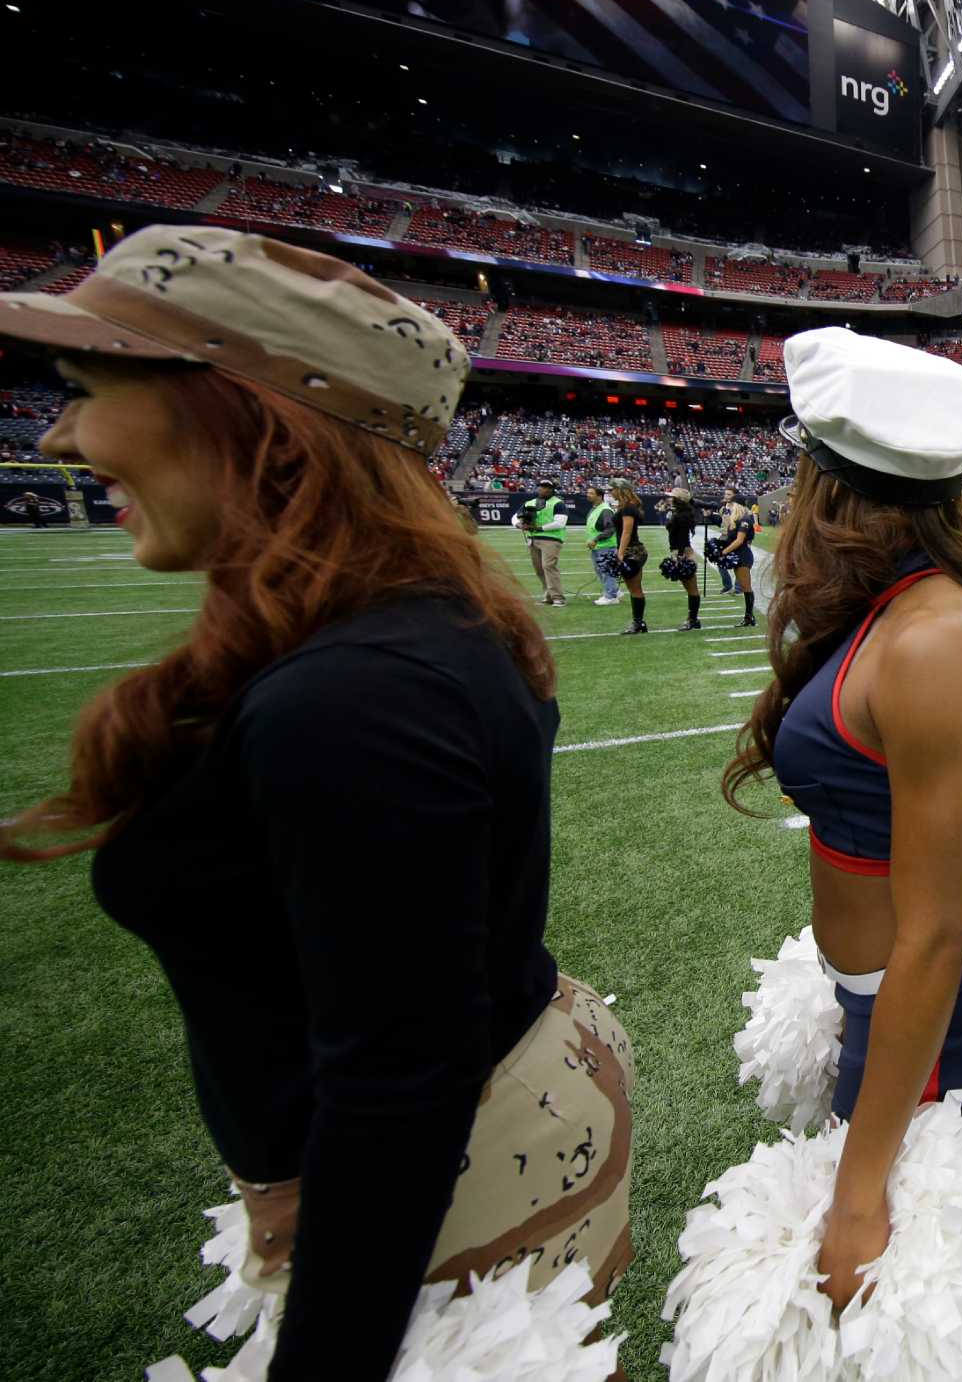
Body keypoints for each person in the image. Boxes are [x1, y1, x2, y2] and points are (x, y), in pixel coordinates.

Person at [0, 226, 633, 1378]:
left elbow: (397, 1077)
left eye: (89, 389)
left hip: (448, 1177)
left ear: (246, 413)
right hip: (494, 1112)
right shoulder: (403, 631)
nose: (59, 436)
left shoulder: (359, 689)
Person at [723, 326, 962, 1314]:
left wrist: (860, 1192)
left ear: (825, 484)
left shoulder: (937, 636)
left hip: (941, 1015)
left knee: (912, 1307)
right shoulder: (893, 603)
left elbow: (937, 929)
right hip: (893, 997)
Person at [610, 477, 651, 635]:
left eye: (612, 489)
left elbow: (627, 532)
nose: (610, 492)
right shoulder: (629, 506)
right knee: (635, 588)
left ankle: (638, 623)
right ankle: (639, 622)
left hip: (632, 551)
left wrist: (620, 553)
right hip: (634, 550)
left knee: (634, 589)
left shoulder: (628, 508)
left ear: (620, 490)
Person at [714, 485, 759, 627]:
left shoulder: (745, 519)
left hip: (743, 555)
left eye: (732, 503)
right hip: (737, 554)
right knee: (745, 587)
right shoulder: (736, 519)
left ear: (737, 505)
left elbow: (740, 540)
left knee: (746, 587)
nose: (730, 505)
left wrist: (723, 552)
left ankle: (749, 617)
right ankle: (748, 617)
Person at [521, 476, 568, 606]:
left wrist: (539, 528)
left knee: (548, 566)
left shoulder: (558, 503)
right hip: (533, 539)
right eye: (542, 486)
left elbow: (560, 523)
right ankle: (548, 596)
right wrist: (519, 524)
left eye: (547, 487)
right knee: (539, 569)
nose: (544, 489)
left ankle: (558, 597)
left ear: (553, 489)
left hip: (551, 539)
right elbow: (515, 516)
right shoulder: (530, 502)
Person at [664, 482, 704, 631]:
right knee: (690, 589)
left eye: (672, 497)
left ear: (678, 500)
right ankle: (692, 619)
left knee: (692, 589)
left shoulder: (682, 516)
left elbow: (680, 538)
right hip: (679, 552)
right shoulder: (679, 514)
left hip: (683, 553)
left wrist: (679, 556)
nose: (669, 499)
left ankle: (693, 620)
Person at [584, 481, 621, 606]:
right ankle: (614, 591)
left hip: (605, 547)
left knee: (606, 571)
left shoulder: (605, 510)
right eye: (587, 493)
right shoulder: (596, 509)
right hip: (597, 547)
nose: (587, 495)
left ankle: (611, 596)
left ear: (599, 496)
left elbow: (610, 529)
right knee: (601, 571)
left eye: (591, 493)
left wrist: (596, 539)